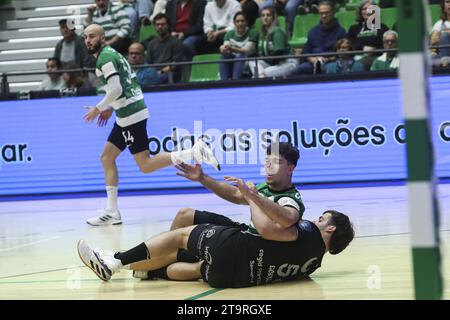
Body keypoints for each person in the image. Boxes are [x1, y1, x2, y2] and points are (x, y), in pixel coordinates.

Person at [82, 24, 220, 226]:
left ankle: (194, 151)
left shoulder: (105, 58)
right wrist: (111, 108)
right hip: (127, 113)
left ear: (103, 38)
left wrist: (98, 107)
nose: (88, 40)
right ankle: (112, 212)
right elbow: (124, 86)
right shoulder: (113, 54)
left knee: (145, 164)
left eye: (92, 36)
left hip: (131, 115)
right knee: (106, 157)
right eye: (85, 37)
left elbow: (116, 88)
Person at [131, 141, 306, 279]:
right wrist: (202, 178)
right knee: (185, 215)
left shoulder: (290, 198)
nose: (269, 166)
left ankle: (144, 264)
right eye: (267, 161)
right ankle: (159, 259)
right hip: (244, 233)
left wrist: (254, 197)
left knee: (182, 256)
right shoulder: (264, 187)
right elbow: (236, 195)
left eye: (276, 162)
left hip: (252, 250)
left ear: (291, 168)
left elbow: (289, 217)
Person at [77, 205, 354, 287]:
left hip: (235, 246)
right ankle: (146, 270)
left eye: (323, 218)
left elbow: (266, 229)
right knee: (195, 265)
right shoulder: (313, 265)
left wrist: (253, 199)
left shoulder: (304, 229)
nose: (317, 218)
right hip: (232, 278)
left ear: (330, 228)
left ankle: (115, 261)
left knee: (179, 238)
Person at [291, 0, 346, 75]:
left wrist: (328, 59)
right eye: (321, 13)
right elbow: (306, 52)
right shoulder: (313, 32)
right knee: (297, 70)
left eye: (326, 13)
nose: (324, 16)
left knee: (331, 69)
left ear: (333, 13)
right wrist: (313, 59)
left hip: (331, 62)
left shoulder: (341, 32)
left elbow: (342, 53)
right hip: (313, 62)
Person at [248, 7, 297, 78]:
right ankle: (259, 77)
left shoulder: (277, 32)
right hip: (274, 63)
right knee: (252, 61)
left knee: (263, 73)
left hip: (287, 63)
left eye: (268, 15)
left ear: (273, 17)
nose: (265, 18)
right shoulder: (264, 33)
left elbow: (278, 55)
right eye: (263, 15)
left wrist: (264, 59)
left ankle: (259, 78)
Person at [346, 0, 389, 70]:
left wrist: (374, 50)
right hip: (356, 56)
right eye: (364, 9)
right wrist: (363, 48)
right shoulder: (353, 28)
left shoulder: (382, 27)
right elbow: (348, 46)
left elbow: (387, 45)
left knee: (359, 65)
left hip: (376, 57)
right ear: (360, 12)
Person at [219, 11, 258, 80]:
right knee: (223, 55)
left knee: (240, 55)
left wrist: (231, 49)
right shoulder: (229, 34)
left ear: (247, 22)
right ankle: (223, 82)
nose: (240, 23)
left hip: (248, 62)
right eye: (238, 21)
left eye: (242, 21)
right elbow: (227, 48)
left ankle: (235, 81)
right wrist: (223, 49)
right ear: (234, 23)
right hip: (233, 62)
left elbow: (246, 50)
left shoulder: (253, 33)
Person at [146, 13, 184, 83]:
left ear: (168, 26)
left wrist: (161, 71)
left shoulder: (176, 42)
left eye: (163, 24)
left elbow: (176, 64)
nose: (160, 27)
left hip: (171, 73)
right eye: (157, 25)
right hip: (155, 73)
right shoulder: (151, 43)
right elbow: (149, 63)